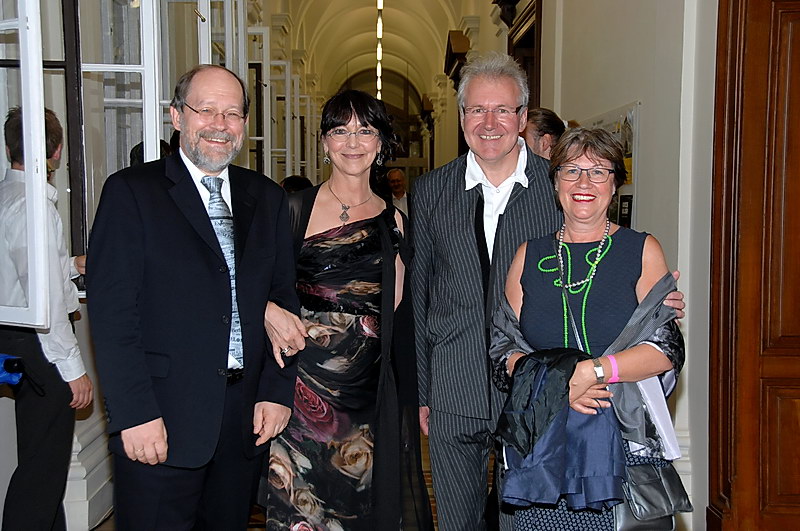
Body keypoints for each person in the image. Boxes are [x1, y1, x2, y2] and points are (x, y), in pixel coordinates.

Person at [411, 52, 684, 531]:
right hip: (456, 388)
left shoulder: (555, 183)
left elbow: (606, 265)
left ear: (522, 117)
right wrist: (423, 390)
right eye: (477, 110)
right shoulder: (431, 190)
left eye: (503, 110)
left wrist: (651, 308)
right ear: (461, 117)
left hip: (540, 399)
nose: (489, 123)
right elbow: (421, 296)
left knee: (524, 516)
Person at [86, 64, 303, 530]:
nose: (219, 125)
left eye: (232, 113)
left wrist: (276, 393)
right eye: (206, 110)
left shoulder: (266, 198)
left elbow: (283, 299)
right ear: (176, 116)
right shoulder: (132, 193)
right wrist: (134, 414)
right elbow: (113, 316)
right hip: (159, 419)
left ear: (245, 123)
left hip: (243, 423)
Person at [491, 127, 687, 529]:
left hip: (619, 442)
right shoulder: (529, 254)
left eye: (598, 171)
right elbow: (501, 350)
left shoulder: (641, 250)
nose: (584, 183)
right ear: (555, 182)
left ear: (614, 185)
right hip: (541, 444)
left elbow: (666, 349)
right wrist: (558, 383)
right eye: (572, 171)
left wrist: (593, 373)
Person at [259, 90, 431, 531]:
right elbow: (257, 290)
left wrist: (415, 398)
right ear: (324, 141)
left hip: (365, 398)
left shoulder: (396, 223)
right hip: (298, 387)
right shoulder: (291, 210)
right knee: (299, 511)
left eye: (365, 130)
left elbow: (399, 316)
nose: (352, 142)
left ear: (380, 142)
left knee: (354, 509)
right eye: (340, 130)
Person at [0, 107, 93, 530]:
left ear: (9, 148)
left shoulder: (7, 197)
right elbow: (48, 302)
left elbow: (19, 273)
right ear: (55, 152)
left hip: (13, 341)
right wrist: (74, 370)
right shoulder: (34, 207)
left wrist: (70, 264)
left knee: (41, 459)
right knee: (42, 472)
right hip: (38, 347)